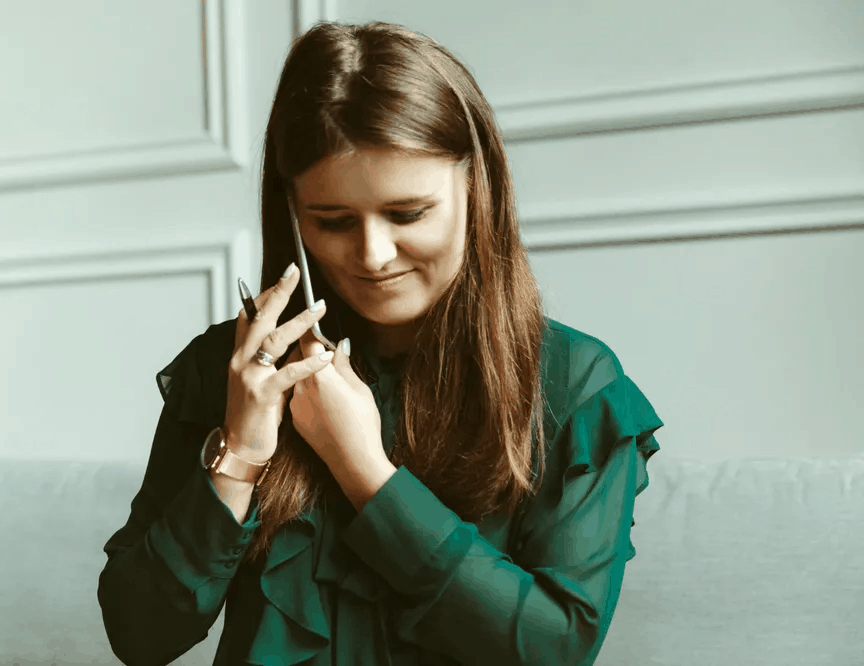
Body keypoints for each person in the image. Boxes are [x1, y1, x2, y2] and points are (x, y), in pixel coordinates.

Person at [97, 20, 664, 666]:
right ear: (290, 213)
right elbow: (139, 637)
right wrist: (243, 454)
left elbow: (552, 649)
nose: (372, 255)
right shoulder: (236, 370)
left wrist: (365, 472)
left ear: (476, 188)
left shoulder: (577, 384)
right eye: (332, 221)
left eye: (407, 214)